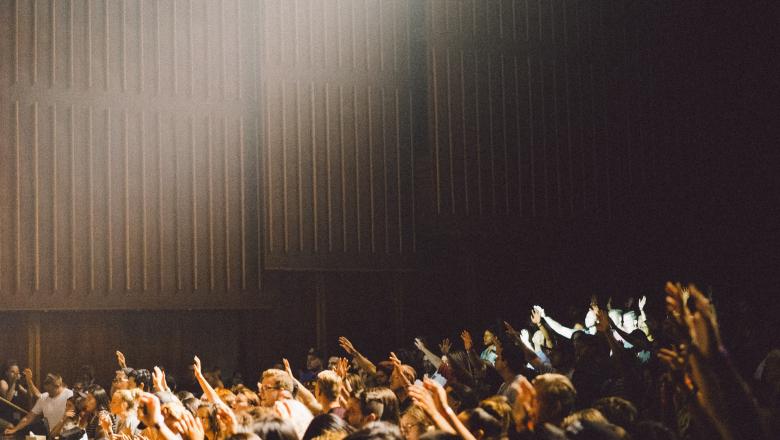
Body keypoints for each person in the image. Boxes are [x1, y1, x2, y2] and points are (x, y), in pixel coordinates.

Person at [4, 373, 73, 436]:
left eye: (50, 390)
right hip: (52, 435)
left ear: (58, 386)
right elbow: (28, 418)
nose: (48, 393)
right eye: (47, 390)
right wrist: (14, 429)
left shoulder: (70, 395)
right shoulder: (44, 397)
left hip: (69, 434)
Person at [259, 368, 313, 438]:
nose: (261, 393)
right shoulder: (300, 407)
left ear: (281, 391)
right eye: (261, 389)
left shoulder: (281, 408)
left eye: (266, 388)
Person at [0, 361, 31, 431]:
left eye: (17, 372)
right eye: (12, 372)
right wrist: (14, 382)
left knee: (27, 425)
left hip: (13, 416)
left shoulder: (18, 385)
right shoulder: (3, 383)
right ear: (6, 373)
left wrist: (29, 380)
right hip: (2, 416)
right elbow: (7, 400)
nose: (15, 374)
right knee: (11, 426)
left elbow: (30, 396)